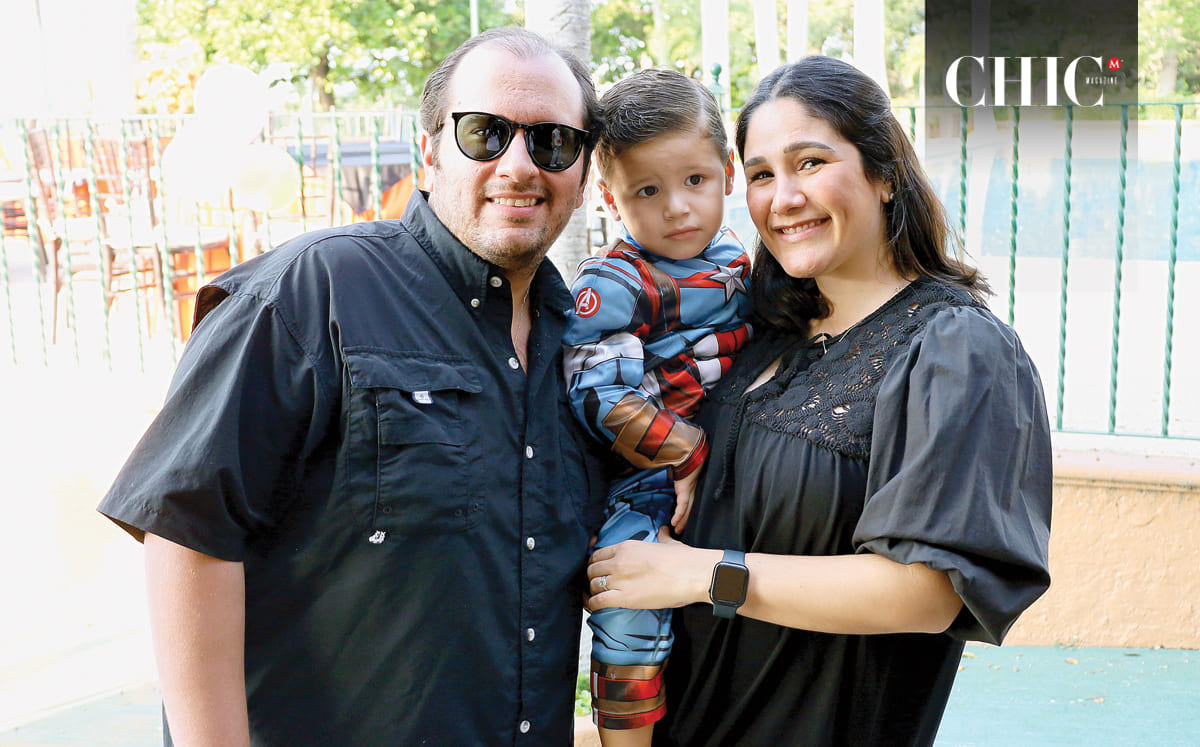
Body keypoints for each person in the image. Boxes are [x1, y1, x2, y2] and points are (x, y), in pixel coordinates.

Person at [97, 27, 609, 746]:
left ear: (583, 173)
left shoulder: (590, 348)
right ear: (429, 152)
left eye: (553, 142)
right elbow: (187, 529)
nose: (520, 165)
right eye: (485, 133)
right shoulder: (314, 291)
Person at [585, 55, 1054, 747]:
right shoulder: (752, 330)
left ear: (885, 171)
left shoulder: (955, 349)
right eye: (764, 173)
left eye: (809, 162)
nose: (783, 197)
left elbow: (929, 592)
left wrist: (701, 574)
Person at [562, 68, 752, 745]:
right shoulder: (613, 281)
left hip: (737, 461)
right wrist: (685, 453)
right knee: (627, 602)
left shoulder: (736, 258)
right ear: (613, 200)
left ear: (727, 172)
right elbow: (599, 392)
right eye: (648, 190)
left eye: (695, 181)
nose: (678, 208)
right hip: (643, 481)